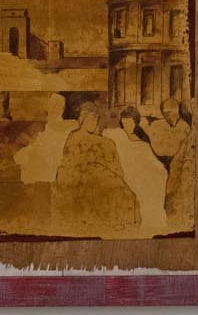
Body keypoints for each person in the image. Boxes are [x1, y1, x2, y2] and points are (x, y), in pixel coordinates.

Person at [54, 100, 138, 234]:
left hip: (100, 179)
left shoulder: (105, 142)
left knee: (123, 191)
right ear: (83, 120)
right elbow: (69, 163)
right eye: (91, 119)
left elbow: (116, 169)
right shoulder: (74, 137)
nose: (94, 123)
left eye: (96, 119)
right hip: (82, 180)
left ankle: (119, 221)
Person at [108, 105, 170, 236]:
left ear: (135, 123)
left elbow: (150, 157)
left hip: (141, 171)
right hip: (125, 170)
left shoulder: (142, 137)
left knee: (157, 177)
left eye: (130, 123)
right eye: (125, 122)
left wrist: (159, 168)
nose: (127, 126)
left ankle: (152, 221)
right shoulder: (117, 135)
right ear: (121, 122)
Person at [147, 96, 196, 232]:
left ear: (177, 112)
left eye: (169, 113)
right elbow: (156, 146)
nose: (167, 117)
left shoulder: (186, 128)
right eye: (164, 114)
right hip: (161, 163)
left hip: (177, 167)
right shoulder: (158, 126)